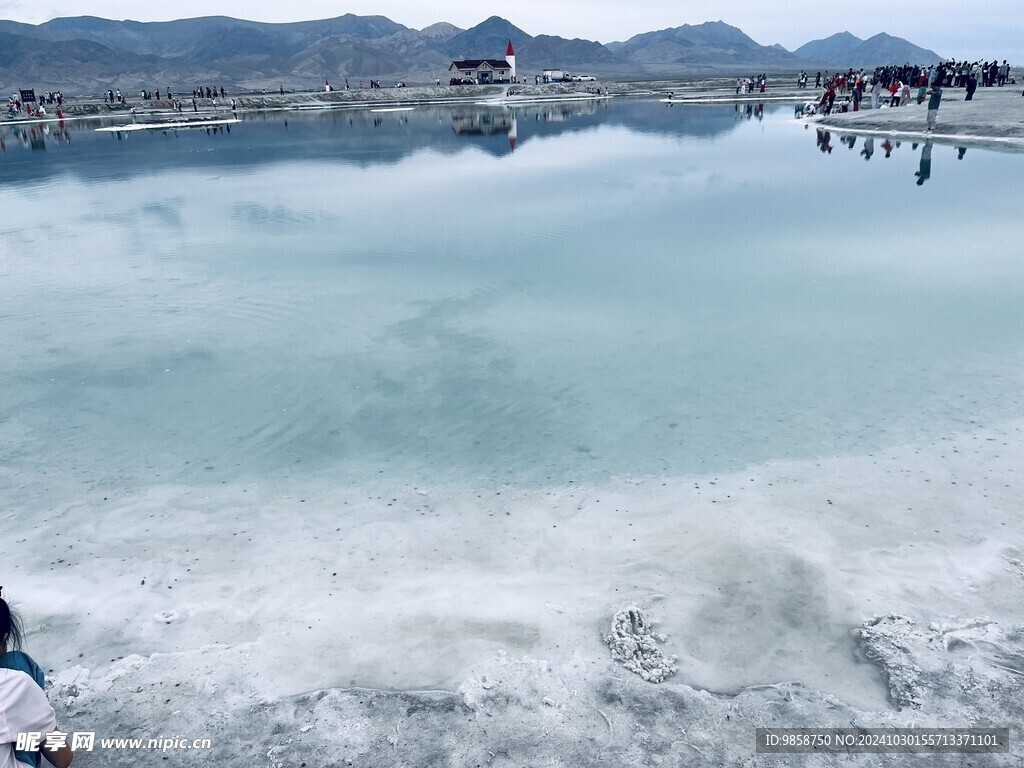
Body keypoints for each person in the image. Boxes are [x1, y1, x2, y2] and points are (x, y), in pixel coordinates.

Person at [1, 590, 74, 768]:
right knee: (18, 662)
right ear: (5, 635)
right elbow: (63, 758)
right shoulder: (15, 683)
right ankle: (34, 716)